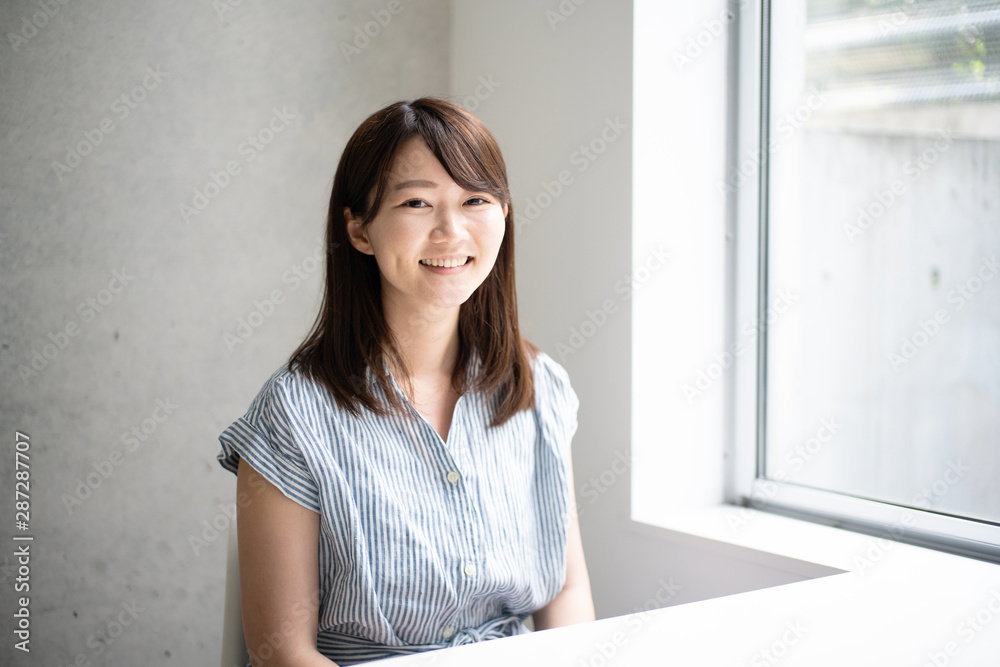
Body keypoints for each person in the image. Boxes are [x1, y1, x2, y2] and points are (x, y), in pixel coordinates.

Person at [217, 97, 594, 666]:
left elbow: (566, 591)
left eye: (475, 200)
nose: (451, 230)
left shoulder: (540, 386)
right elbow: (281, 654)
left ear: (505, 216)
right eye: (417, 202)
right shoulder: (293, 415)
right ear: (360, 229)